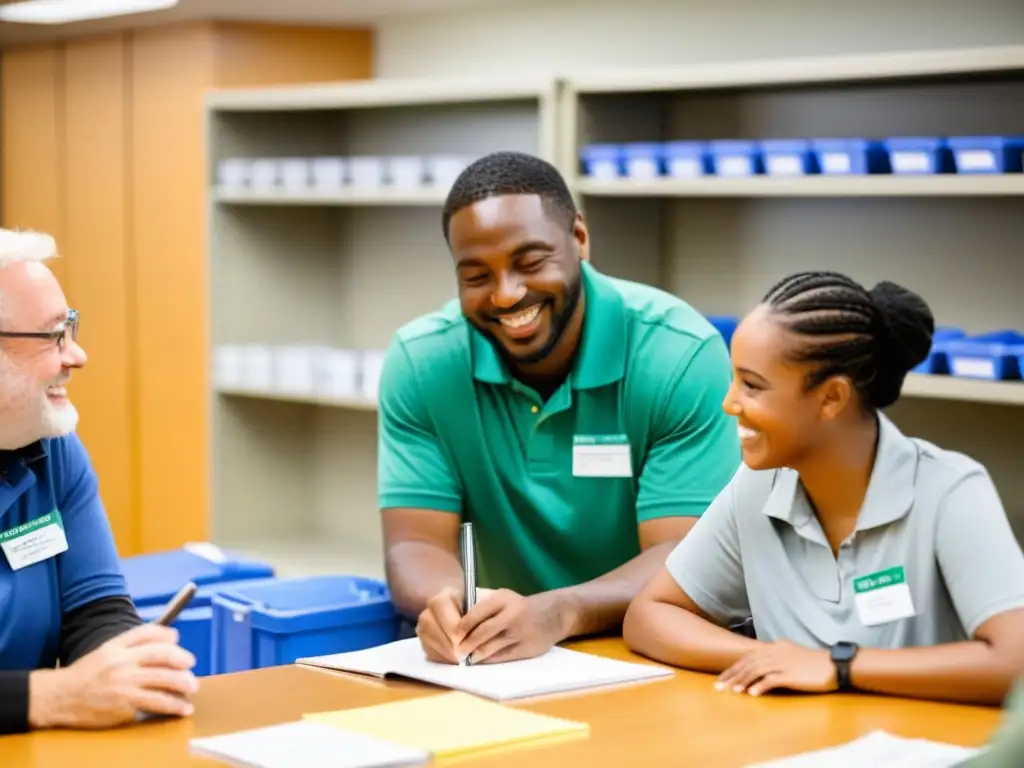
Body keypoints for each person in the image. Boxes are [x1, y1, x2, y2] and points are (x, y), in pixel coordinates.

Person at [378, 151, 740, 665]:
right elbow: (414, 542)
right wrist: (449, 604)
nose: (507, 295)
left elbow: (684, 559)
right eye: (476, 276)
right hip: (497, 658)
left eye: (530, 262)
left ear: (580, 240)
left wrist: (560, 612)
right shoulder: (423, 362)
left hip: (645, 648)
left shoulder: (678, 354)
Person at [623, 271, 1024, 706]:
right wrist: (773, 659)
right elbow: (651, 616)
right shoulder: (756, 487)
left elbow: (1014, 663)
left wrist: (838, 666)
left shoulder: (950, 491)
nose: (729, 403)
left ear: (832, 398)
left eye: (752, 386)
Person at [0, 229, 197, 733]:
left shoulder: (53, 448)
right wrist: (48, 696)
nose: (77, 356)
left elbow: (95, 609)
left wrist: (129, 667)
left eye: (70, 327)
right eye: (51, 337)